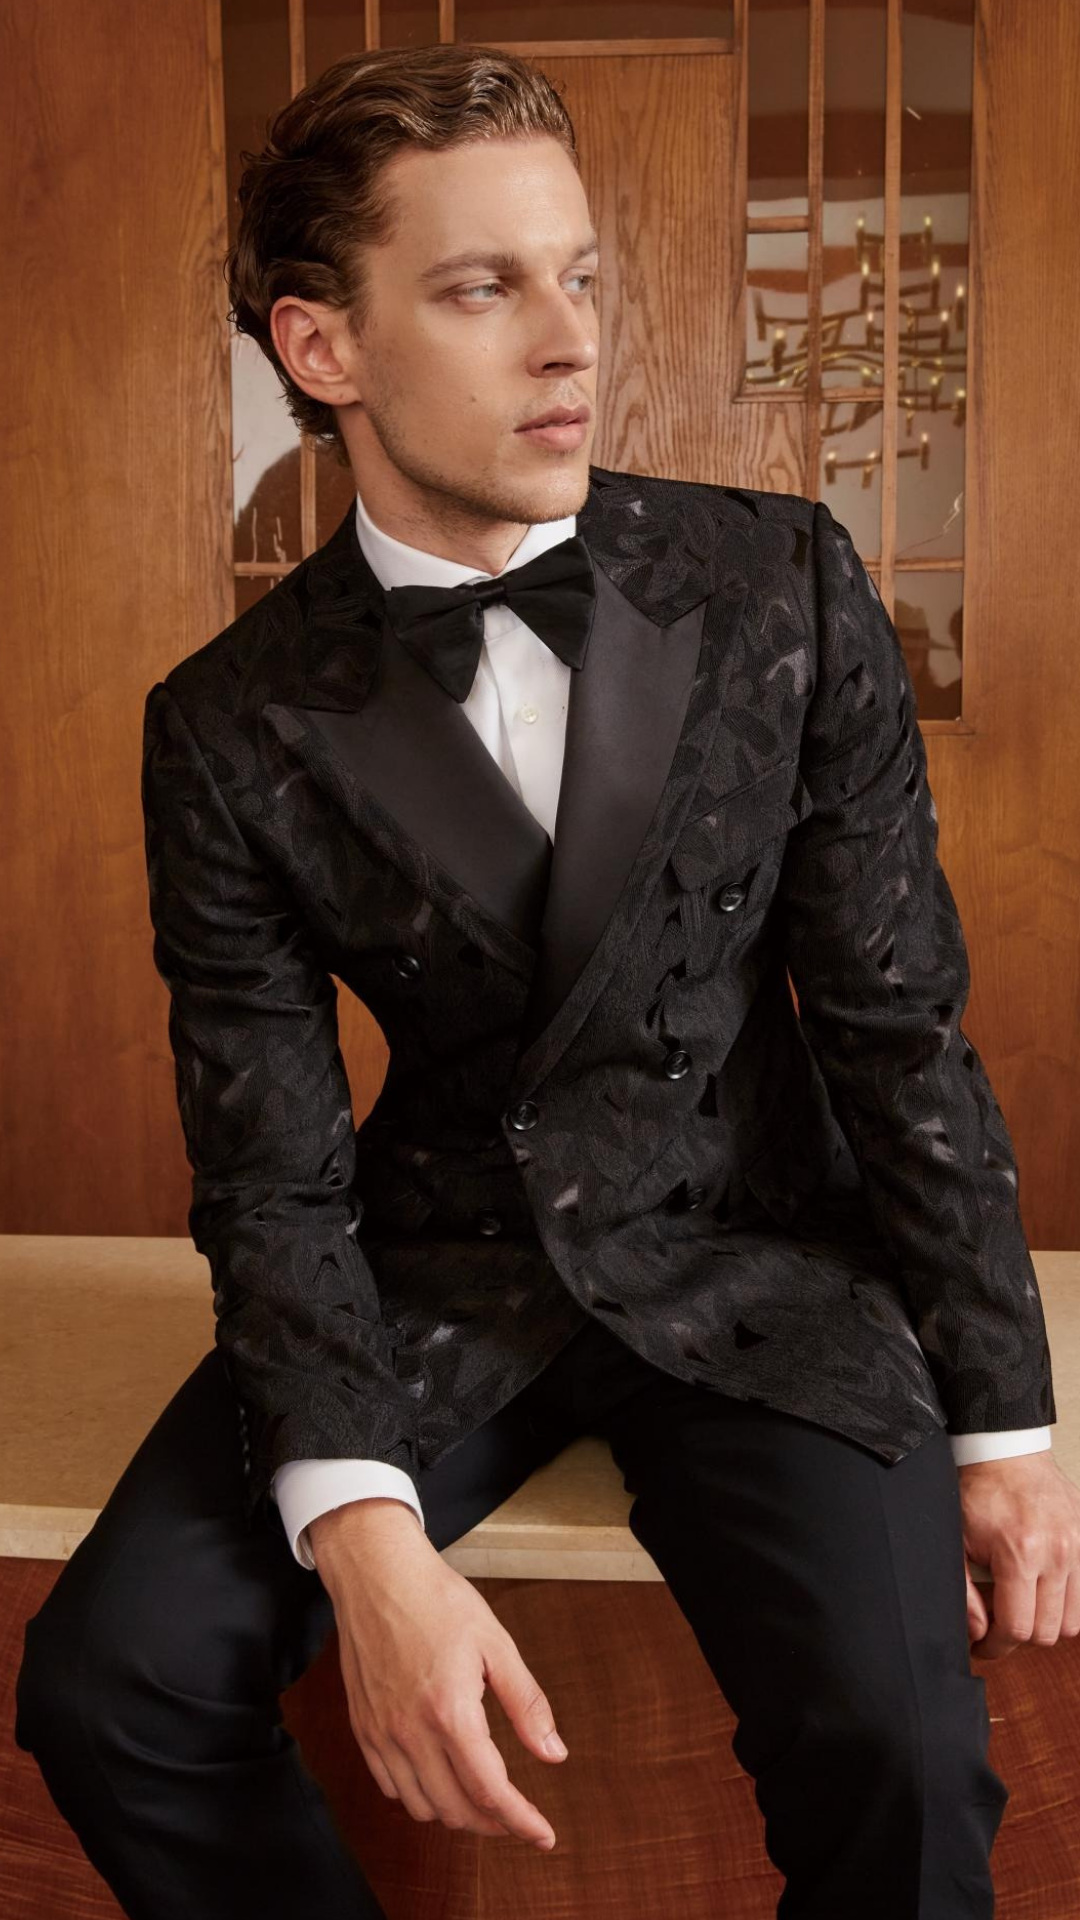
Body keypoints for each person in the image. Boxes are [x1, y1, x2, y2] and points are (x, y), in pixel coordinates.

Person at [15, 40, 1080, 1920]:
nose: (570, 339)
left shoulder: (783, 582)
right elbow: (270, 1170)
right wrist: (365, 1536)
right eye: (481, 287)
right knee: (115, 1684)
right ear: (322, 348)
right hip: (440, 1266)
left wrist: (1008, 1422)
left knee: (906, 1756)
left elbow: (899, 1021)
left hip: (764, 1255)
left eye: (578, 274)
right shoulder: (231, 723)